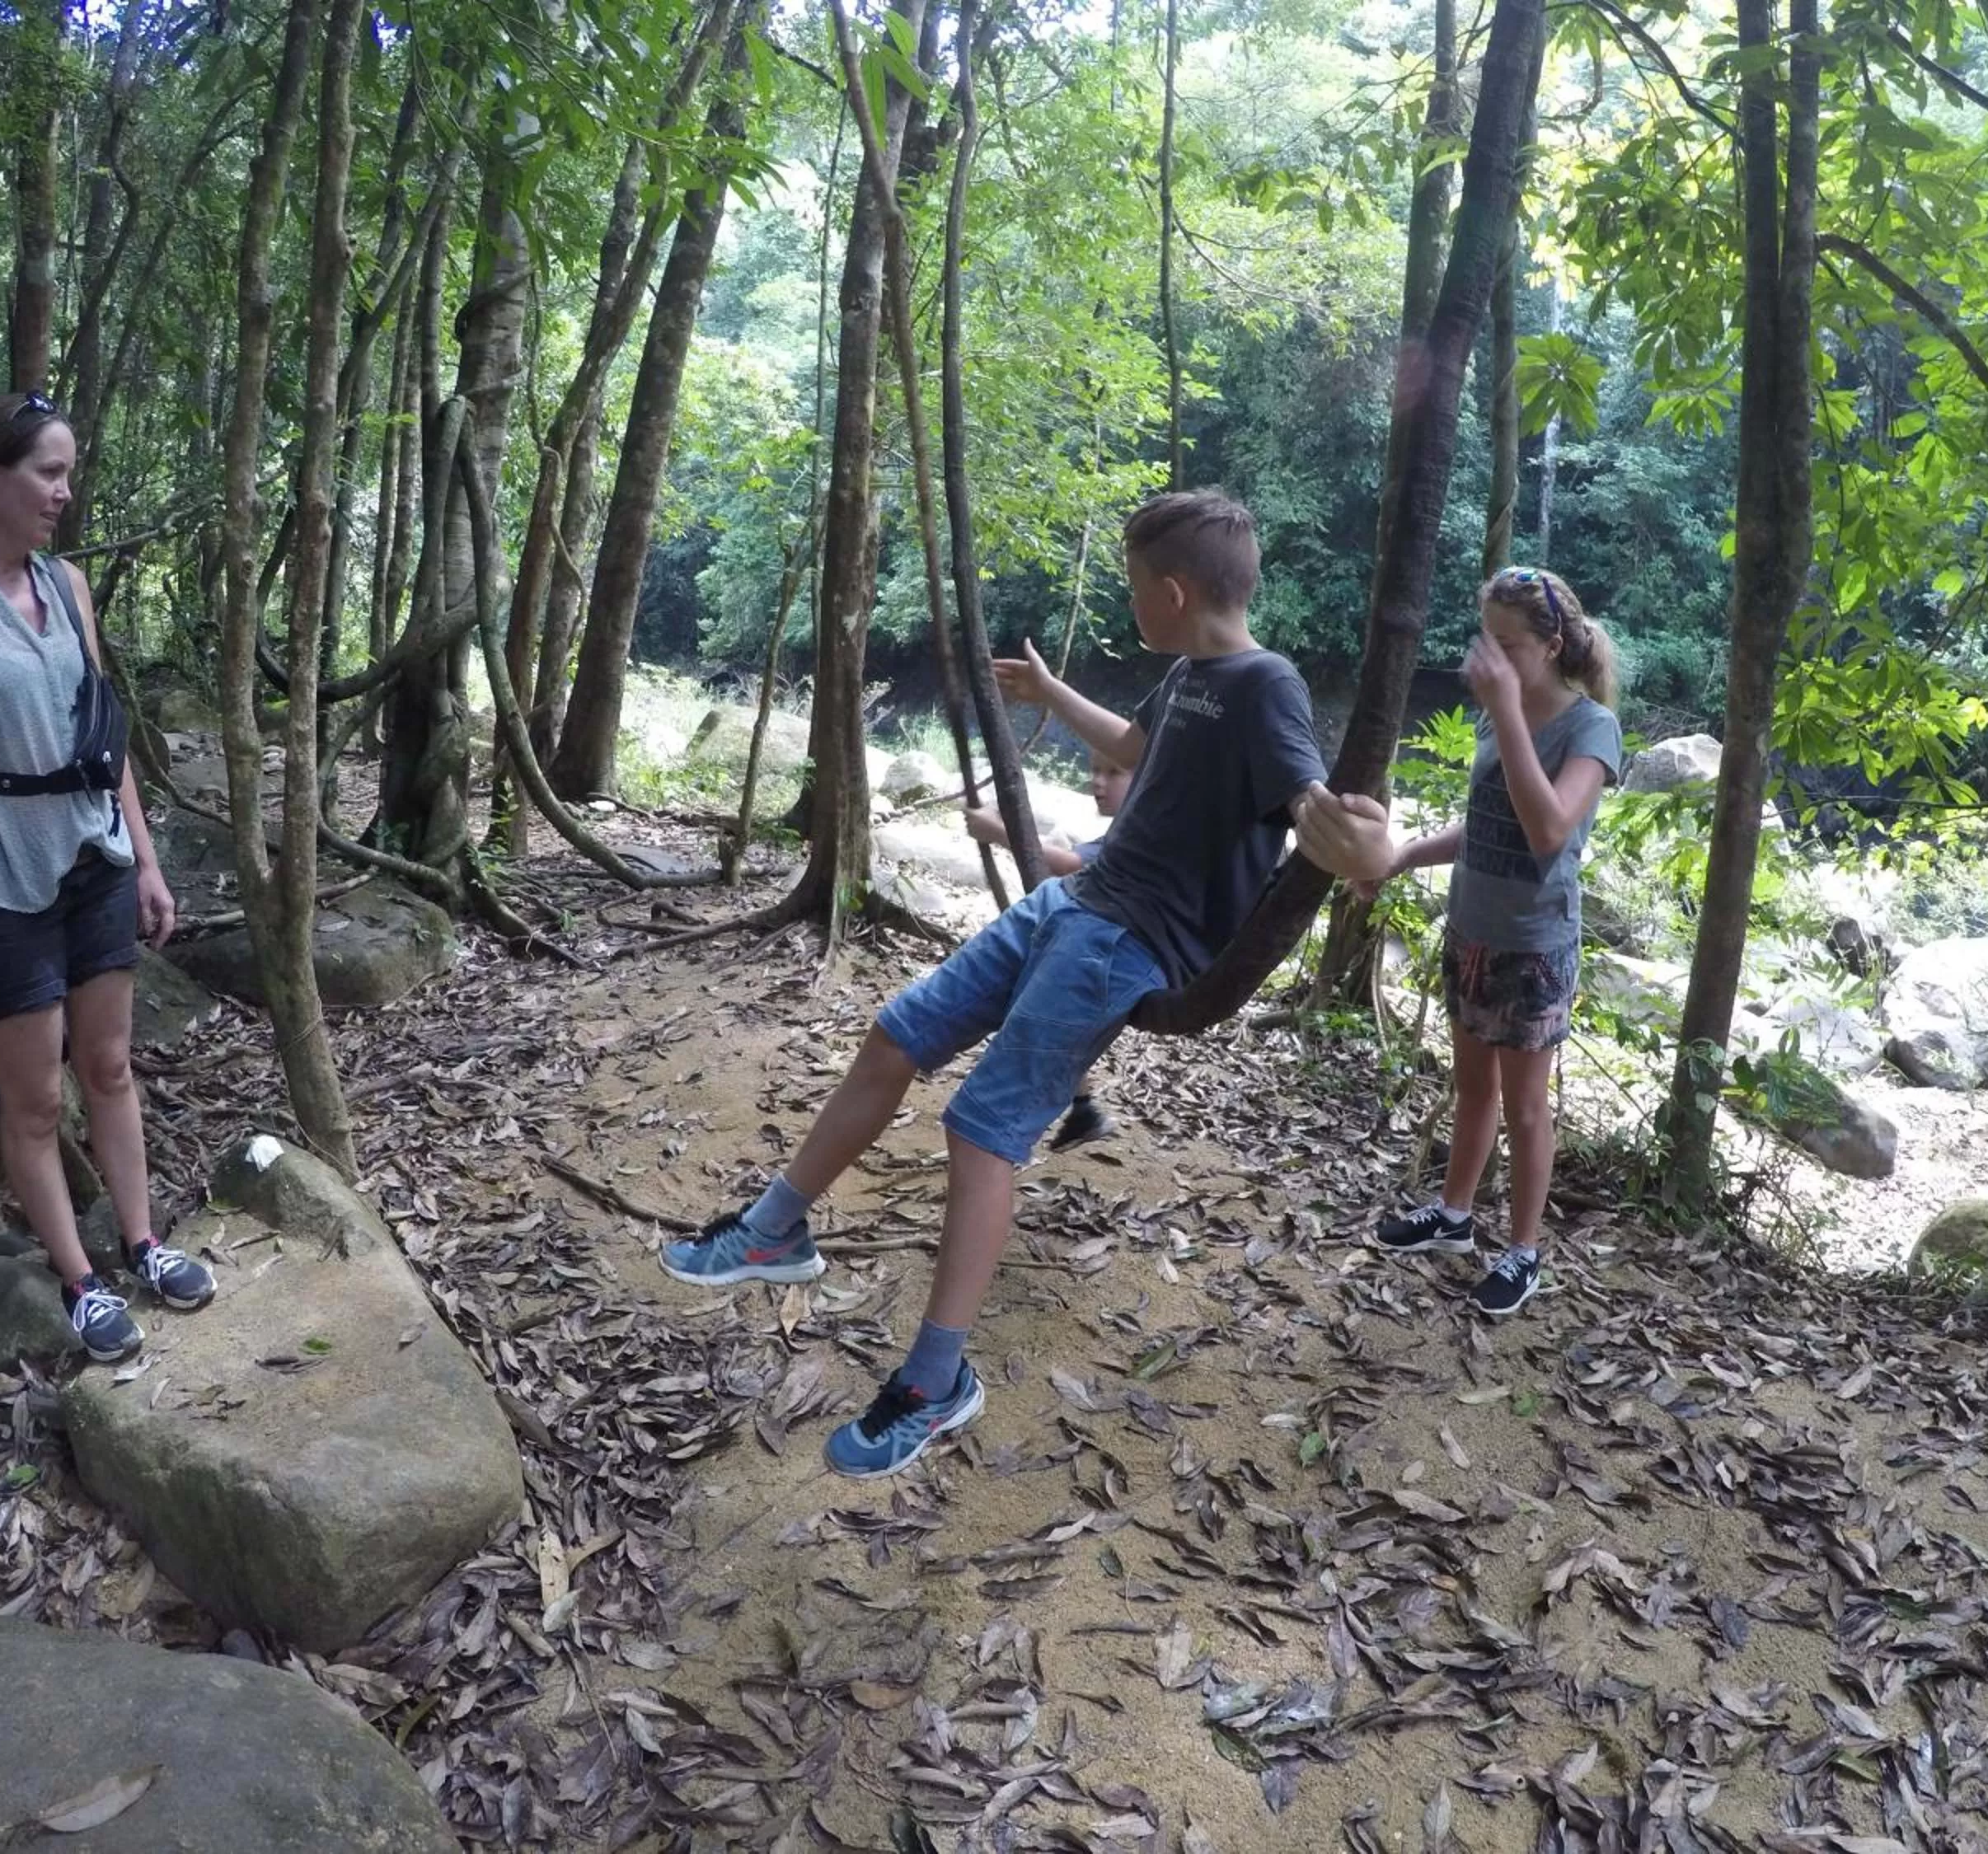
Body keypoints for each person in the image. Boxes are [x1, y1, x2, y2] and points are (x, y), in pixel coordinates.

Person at [664, 489, 1371, 1477]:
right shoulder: (1192, 676)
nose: (1133, 603)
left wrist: (1344, 833)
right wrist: (1048, 695)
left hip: (1127, 942)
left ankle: (935, 1380)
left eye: (1134, 586)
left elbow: (1303, 795)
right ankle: (772, 1230)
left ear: (1171, 591)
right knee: (895, 1035)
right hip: (1072, 910)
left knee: (982, 1129)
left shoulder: (1265, 684)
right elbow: (1137, 747)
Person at [0, 391, 215, 1363]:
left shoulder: (70, 587)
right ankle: (81, 1284)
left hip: (91, 858)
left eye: (69, 471)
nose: (65, 490)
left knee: (112, 1068)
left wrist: (147, 858)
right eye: (49, 471)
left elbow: (104, 733)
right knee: (37, 1101)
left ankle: (143, 1241)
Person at [1304, 565, 1622, 1316]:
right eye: (1489, 641)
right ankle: (1451, 1220)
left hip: (1534, 945)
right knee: (1471, 1085)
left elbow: (1548, 830)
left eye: (1509, 645)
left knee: (1527, 1107)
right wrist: (1400, 857)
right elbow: (1487, 826)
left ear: (1550, 646)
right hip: (1472, 931)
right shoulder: (1496, 714)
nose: (1492, 658)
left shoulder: (1590, 729)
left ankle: (1523, 1252)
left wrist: (1508, 712)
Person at [961, 748, 1135, 1150]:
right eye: (1094, 770)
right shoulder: (1124, 830)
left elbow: (1071, 863)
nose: (1097, 781)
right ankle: (1083, 1108)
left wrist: (997, 831)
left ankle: (1014, 1124)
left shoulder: (1133, 835)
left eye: (1113, 770)